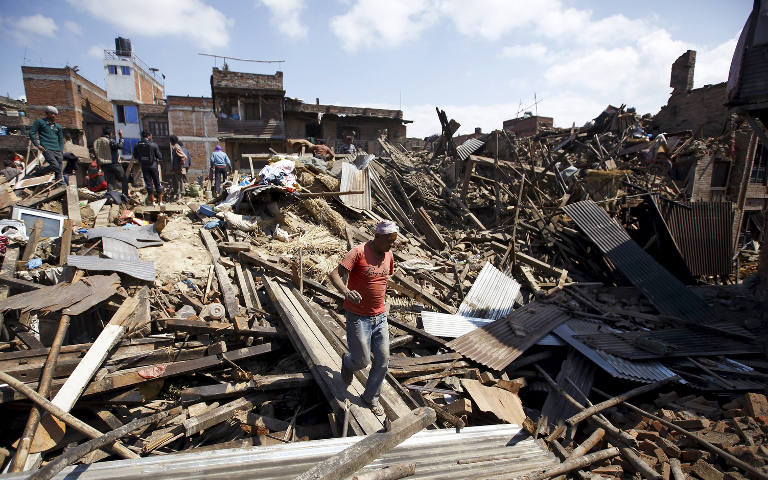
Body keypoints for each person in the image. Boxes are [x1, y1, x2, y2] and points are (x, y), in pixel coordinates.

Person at [329, 220, 399, 416]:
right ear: (376, 237)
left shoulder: (389, 255)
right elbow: (334, 274)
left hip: (380, 316)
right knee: (361, 361)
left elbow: (383, 280)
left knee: (383, 360)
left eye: (393, 241)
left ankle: (370, 397)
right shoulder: (358, 252)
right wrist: (346, 291)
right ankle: (347, 362)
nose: (391, 245)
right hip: (358, 317)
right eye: (388, 241)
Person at [28, 106, 64, 183]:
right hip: (46, 148)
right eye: (52, 114)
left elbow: (61, 139)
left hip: (57, 149)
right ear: (47, 113)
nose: (53, 115)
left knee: (59, 168)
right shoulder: (40, 122)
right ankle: (38, 173)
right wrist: (37, 145)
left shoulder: (57, 126)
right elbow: (31, 133)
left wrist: (61, 150)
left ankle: (59, 183)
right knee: (55, 166)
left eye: (55, 114)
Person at [93, 127, 129, 196]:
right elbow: (120, 146)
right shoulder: (109, 140)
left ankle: (110, 196)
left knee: (110, 181)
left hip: (104, 164)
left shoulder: (96, 142)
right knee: (124, 179)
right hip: (113, 163)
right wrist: (121, 137)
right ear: (110, 133)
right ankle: (125, 195)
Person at [133, 130, 164, 205]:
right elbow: (160, 156)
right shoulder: (153, 145)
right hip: (153, 166)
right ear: (149, 135)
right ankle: (160, 202)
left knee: (148, 184)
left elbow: (135, 156)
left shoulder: (137, 145)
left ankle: (152, 202)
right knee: (157, 183)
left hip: (144, 166)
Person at [169, 135, 190, 200]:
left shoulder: (176, 148)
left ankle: (180, 196)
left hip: (178, 168)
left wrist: (180, 165)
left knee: (179, 182)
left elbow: (184, 157)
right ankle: (179, 195)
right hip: (176, 168)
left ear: (172, 141)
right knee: (177, 181)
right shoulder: (175, 147)